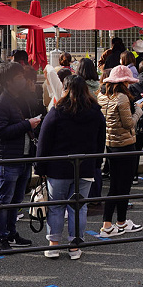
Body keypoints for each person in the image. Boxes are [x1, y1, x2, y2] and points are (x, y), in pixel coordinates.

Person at [35, 73, 106, 259]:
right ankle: (74, 246)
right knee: (79, 207)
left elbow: (44, 142)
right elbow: (101, 141)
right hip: (85, 167)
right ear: (85, 90)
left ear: (65, 90)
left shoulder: (57, 111)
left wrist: (40, 168)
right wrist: (97, 163)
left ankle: (53, 245)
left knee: (57, 206)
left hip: (58, 168)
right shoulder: (95, 112)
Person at [0, 62, 43, 250]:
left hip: (23, 158)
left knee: (16, 200)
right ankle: (1, 236)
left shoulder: (19, 99)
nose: (23, 81)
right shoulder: (1, 102)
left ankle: (12, 233)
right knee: (4, 200)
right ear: (8, 81)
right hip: (8, 159)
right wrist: (28, 124)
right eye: (19, 78)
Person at [97, 64, 143, 236]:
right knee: (123, 186)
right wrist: (138, 111)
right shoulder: (122, 98)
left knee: (115, 185)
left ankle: (112, 223)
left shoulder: (102, 96)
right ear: (123, 82)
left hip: (110, 144)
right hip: (125, 144)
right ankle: (115, 223)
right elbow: (129, 123)